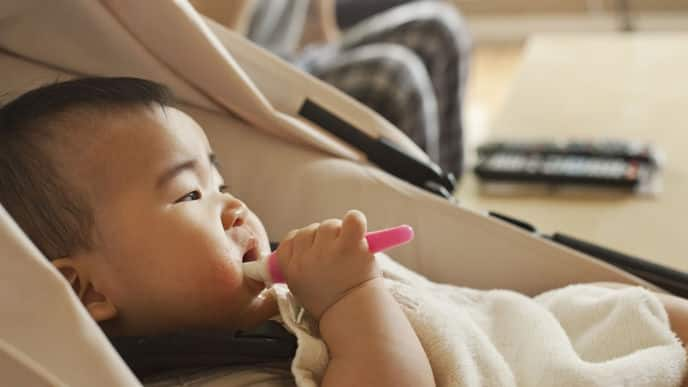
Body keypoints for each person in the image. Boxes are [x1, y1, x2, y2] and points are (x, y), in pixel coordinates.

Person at [1, 77, 686, 387]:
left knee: (639, 309)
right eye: (189, 193)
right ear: (83, 290)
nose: (235, 208)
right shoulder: (215, 377)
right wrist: (352, 296)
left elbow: (473, 314)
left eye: (223, 181)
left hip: (524, 333)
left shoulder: (283, 292)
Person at [192, 0, 470, 178]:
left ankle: (448, 190)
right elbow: (218, 64)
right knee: (394, 76)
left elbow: (319, 27)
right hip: (257, 83)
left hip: (301, 59)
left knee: (439, 30)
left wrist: (341, 60)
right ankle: (432, 212)